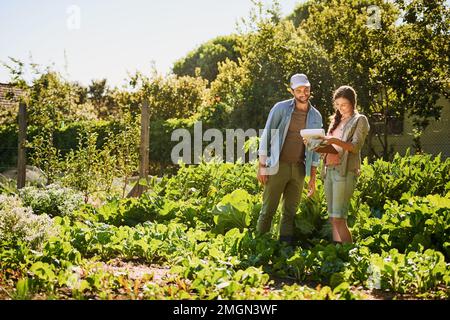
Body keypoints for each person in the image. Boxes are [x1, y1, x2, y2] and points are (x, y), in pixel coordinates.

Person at [257, 73, 323, 244]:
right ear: (292, 91)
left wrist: (313, 178)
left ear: (310, 90)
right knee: (268, 210)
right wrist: (262, 166)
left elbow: (315, 150)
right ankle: (259, 245)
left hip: (300, 169)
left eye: (306, 89)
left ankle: (284, 248)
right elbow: (267, 135)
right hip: (278, 166)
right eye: (299, 90)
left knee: (290, 212)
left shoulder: (316, 116)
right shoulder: (280, 108)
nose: (303, 93)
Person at [317, 85, 370, 244]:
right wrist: (318, 146)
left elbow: (355, 147)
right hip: (329, 171)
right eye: (337, 105)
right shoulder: (335, 121)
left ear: (353, 103)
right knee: (333, 218)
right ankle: (337, 251)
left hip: (345, 171)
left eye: (344, 105)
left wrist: (334, 141)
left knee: (340, 218)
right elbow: (330, 148)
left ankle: (348, 254)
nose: (340, 108)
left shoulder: (359, 120)